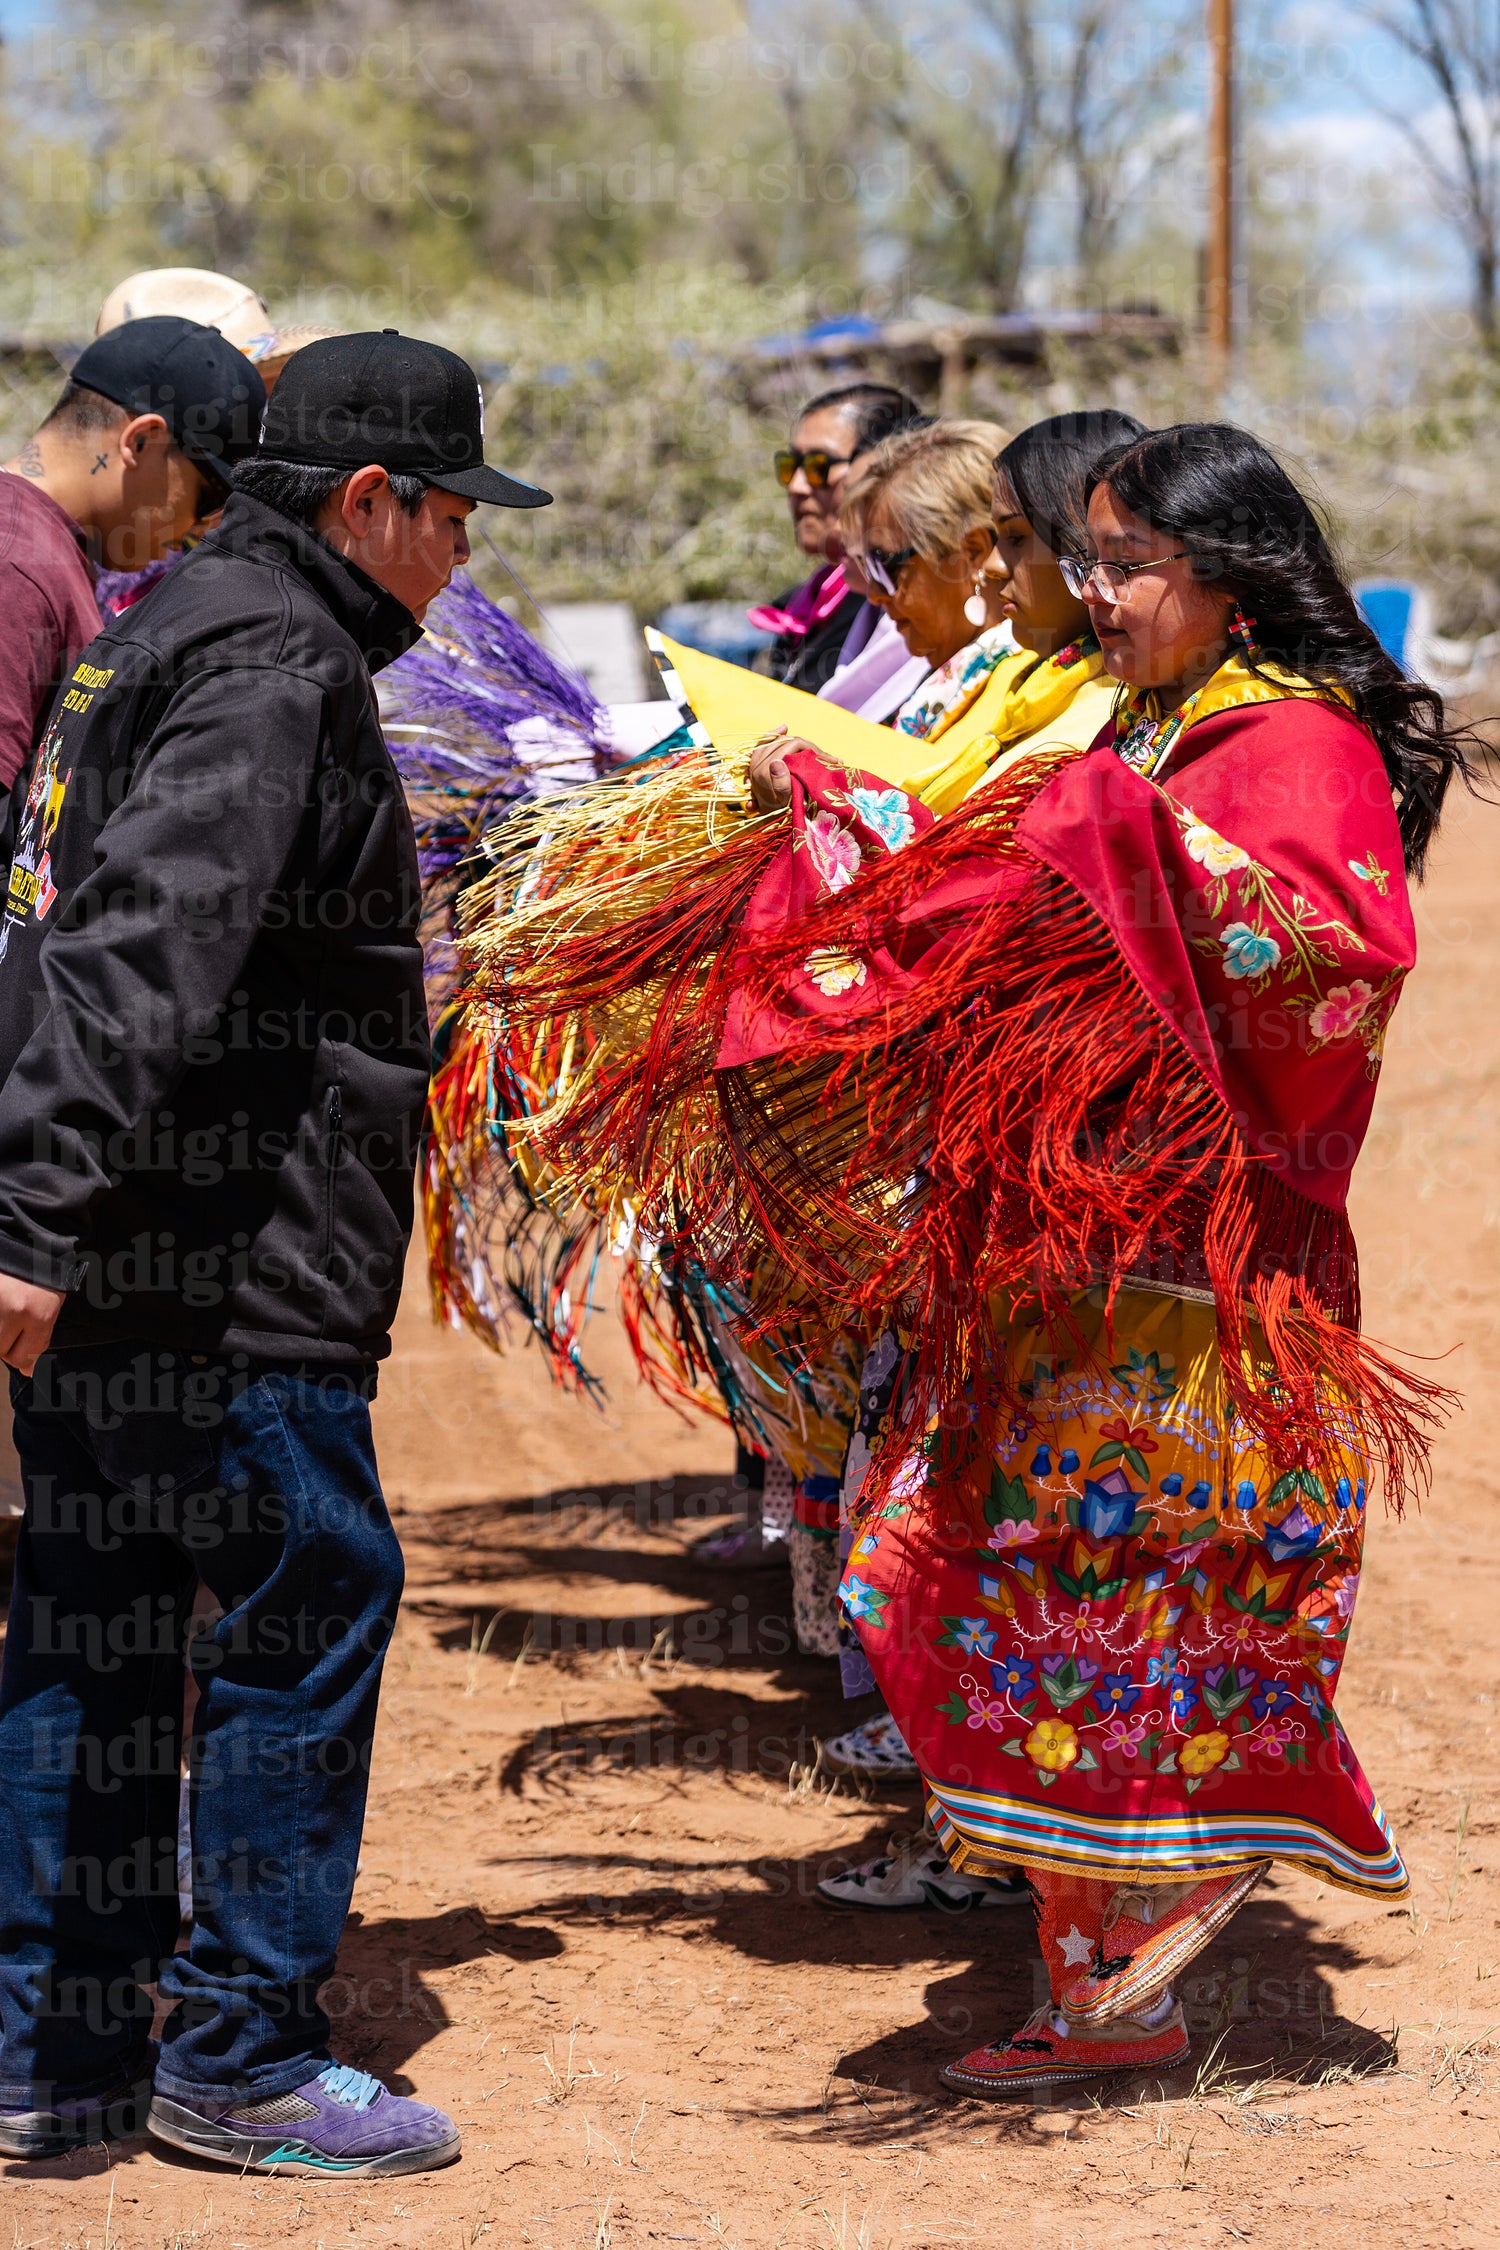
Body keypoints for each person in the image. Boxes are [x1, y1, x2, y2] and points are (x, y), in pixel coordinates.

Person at [464, 422, 1470, 2092]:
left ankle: (1120, 1982)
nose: (1094, 593)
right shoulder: (1155, 724)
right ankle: (1123, 1952)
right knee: (991, 1582)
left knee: (1113, 1608)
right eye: (1090, 558)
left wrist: (1109, 842)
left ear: (1224, 579)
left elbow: (1340, 958)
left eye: (1125, 563)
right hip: (1073, 1247)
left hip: (1187, 1276)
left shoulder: (1289, 743)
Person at [0, 329, 551, 2169]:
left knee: (94, 1617)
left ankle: (45, 2052)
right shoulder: (271, 649)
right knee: (303, 1604)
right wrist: (30, 1201)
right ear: (372, 498)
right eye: (455, 514)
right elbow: (141, 938)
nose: (466, 556)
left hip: (126, 1246)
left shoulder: (166, 617)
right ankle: (233, 2055)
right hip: (224, 1254)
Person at [0, 318, 263, 859]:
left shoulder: (43, 547)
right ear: (142, 440)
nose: (196, 529)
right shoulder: (16, 563)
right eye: (206, 495)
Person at [751, 382, 924, 695]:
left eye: (819, 466)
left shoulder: (901, 606)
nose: (797, 486)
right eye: (791, 467)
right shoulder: (804, 604)